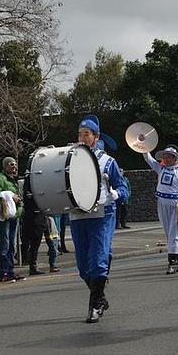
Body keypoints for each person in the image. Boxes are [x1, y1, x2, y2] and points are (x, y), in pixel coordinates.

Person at [70, 115, 129, 323]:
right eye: (79, 134)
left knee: (98, 259)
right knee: (83, 266)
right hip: (78, 215)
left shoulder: (107, 161)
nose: (82, 137)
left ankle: (94, 305)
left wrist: (117, 194)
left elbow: (123, 189)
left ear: (96, 137)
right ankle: (101, 296)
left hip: (102, 214)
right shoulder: (71, 159)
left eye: (86, 134)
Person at [143, 146, 178, 275]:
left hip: (176, 204)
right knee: (169, 233)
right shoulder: (161, 169)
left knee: (175, 232)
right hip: (162, 203)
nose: (165, 158)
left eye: (168, 156)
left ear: (175, 158)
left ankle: (172, 262)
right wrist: (143, 146)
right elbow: (148, 159)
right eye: (164, 156)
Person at [0, 157, 25, 283]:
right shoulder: (0, 179)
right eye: (11, 164)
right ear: (5, 166)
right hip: (4, 218)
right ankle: (3, 272)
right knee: (4, 245)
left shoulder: (13, 180)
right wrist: (10, 197)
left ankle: (10, 271)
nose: (14, 167)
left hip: (14, 217)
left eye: (15, 164)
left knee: (12, 246)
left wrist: (18, 202)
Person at [20, 174, 60, 276]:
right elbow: (28, 201)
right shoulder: (29, 185)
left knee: (52, 241)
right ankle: (33, 267)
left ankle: (52, 265)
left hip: (44, 217)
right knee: (35, 243)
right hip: (36, 218)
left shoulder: (40, 184)